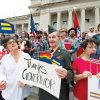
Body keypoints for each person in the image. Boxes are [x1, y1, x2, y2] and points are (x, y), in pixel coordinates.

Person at [39, 29, 74, 100]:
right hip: (44, 91)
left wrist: (66, 74)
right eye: (49, 37)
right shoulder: (44, 53)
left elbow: (71, 73)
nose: (51, 39)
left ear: (59, 38)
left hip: (58, 92)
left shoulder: (65, 53)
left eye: (54, 37)